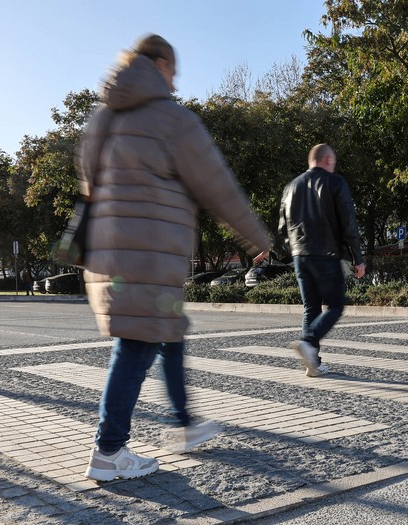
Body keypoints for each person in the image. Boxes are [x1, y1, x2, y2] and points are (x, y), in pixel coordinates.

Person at [78, 34, 270, 482]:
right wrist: (254, 236)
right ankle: (108, 451)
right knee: (135, 349)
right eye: (174, 71)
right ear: (161, 65)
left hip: (110, 257)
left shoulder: (103, 118)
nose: (176, 80)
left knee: (165, 337)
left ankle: (184, 424)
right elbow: (216, 184)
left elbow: (90, 185)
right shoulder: (172, 119)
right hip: (149, 256)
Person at [279, 144, 365, 377]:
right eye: (333, 161)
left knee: (311, 307)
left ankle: (313, 363)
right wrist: (358, 258)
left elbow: (282, 228)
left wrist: (295, 250)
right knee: (336, 305)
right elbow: (348, 221)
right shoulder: (335, 182)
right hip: (326, 254)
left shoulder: (291, 186)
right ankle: (308, 342)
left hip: (300, 256)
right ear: (327, 159)